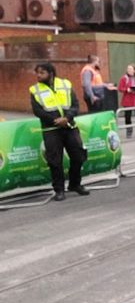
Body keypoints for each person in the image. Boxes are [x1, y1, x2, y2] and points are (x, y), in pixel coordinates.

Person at [29, 63, 89, 201]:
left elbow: (75, 105)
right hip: (51, 129)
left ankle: (75, 184)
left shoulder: (65, 84)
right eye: (37, 73)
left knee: (79, 156)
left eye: (42, 72)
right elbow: (37, 111)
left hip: (69, 126)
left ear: (50, 73)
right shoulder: (35, 90)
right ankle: (59, 190)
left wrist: (66, 118)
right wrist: (55, 120)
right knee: (55, 161)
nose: (38, 75)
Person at [117, 63, 135, 139]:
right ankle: (129, 131)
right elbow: (120, 88)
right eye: (128, 69)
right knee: (128, 117)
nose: (129, 70)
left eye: (130, 69)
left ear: (134, 70)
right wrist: (127, 90)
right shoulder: (124, 78)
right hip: (128, 100)